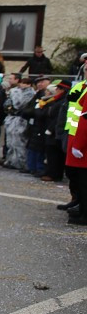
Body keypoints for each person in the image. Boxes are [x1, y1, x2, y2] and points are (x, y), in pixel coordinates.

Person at [63, 78, 86, 224]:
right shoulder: (81, 86)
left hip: (81, 140)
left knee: (83, 181)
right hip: (75, 134)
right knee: (78, 178)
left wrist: (78, 144)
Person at [3, 74, 32, 169]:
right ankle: (11, 160)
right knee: (10, 142)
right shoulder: (14, 91)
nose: (22, 85)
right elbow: (8, 103)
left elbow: (19, 104)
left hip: (21, 120)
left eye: (25, 83)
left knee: (20, 142)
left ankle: (21, 162)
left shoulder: (30, 94)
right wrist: (8, 107)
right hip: (12, 119)